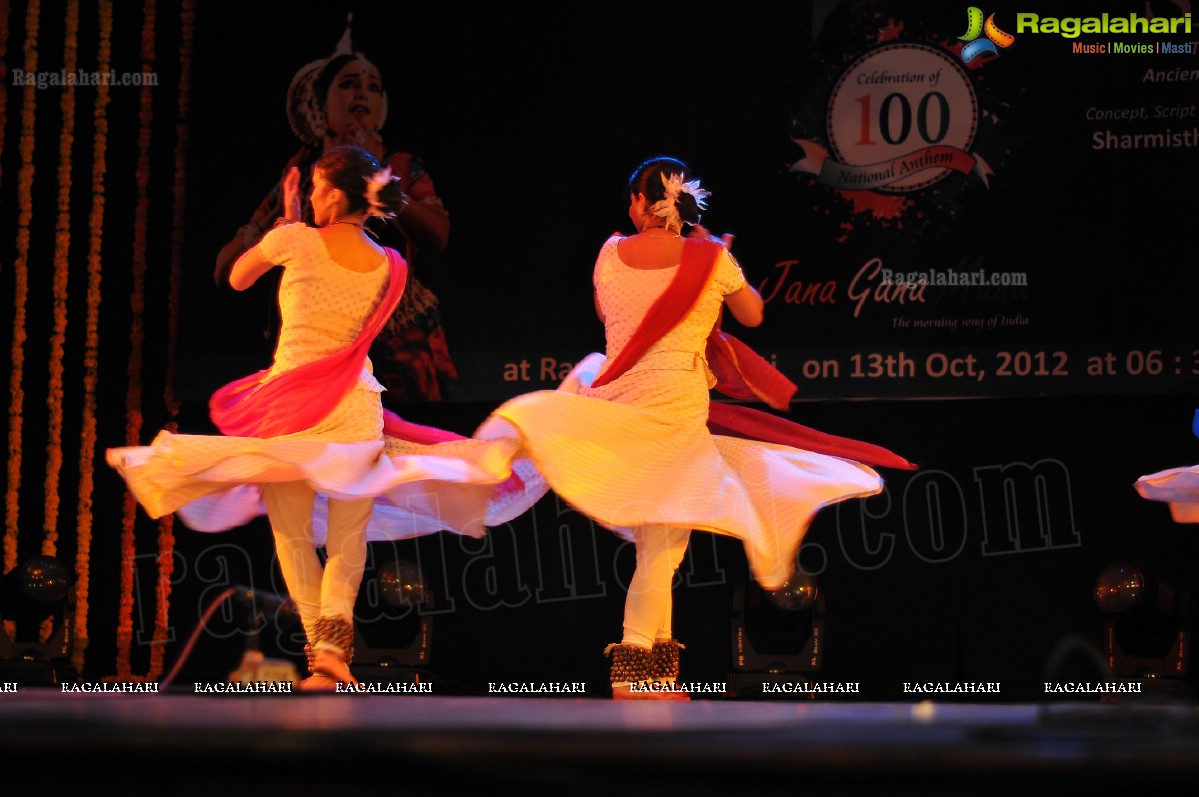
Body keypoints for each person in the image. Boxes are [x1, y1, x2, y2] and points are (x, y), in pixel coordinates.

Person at [475, 156, 914, 699]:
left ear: (640, 204)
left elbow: (609, 313)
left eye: (633, 201)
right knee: (662, 544)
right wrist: (716, 262)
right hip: (673, 410)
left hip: (618, 405)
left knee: (663, 540)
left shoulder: (609, 254)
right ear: (686, 204)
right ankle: (634, 669)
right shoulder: (712, 258)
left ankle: (654, 671)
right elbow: (752, 315)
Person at [109, 146, 544, 691]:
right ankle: (332, 652)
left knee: (292, 535)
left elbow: (239, 279)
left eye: (315, 187)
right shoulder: (390, 263)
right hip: (355, 407)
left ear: (335, 193)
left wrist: (285, 224)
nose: (311, 197)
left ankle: (324, 650)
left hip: (294, 406)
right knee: (347, 537)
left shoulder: (295, 237)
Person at [213, 16, 457, 401]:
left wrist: (289, 234)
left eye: (372, 87)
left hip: (378, 361)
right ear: (320, 103)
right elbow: (225, 264)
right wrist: (283, 230)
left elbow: (439, 235)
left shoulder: (404, 166)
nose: (361, 94)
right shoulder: (301, 173)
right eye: (348, 85)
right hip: (356, 396)